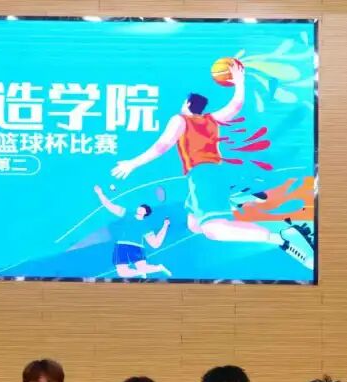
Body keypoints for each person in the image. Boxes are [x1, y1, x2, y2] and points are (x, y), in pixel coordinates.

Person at [109, 61, 313, 270]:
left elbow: (162, 146)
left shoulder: (180, 120)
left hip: (202, 174)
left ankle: (281, 237)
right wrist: (240, 82)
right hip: (213, 173)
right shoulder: (212, 119)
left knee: (212, 229)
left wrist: (133, 163)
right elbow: (235, 106)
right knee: (194, 224)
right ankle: (233, 198)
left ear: (187, 103)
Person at [93, 185, 173, 279]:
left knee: (144, 268)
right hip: (121, 246)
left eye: (142, 208)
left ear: (145, 213)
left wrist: (165, 226)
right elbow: (109, 206)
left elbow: (155, 243)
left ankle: (159, 268)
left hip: (136, 248)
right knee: (122, 273)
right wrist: (100, 193)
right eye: (140, 207)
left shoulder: (145, 226)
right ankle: (140, 272)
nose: (139, 208)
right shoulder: (126, 214)